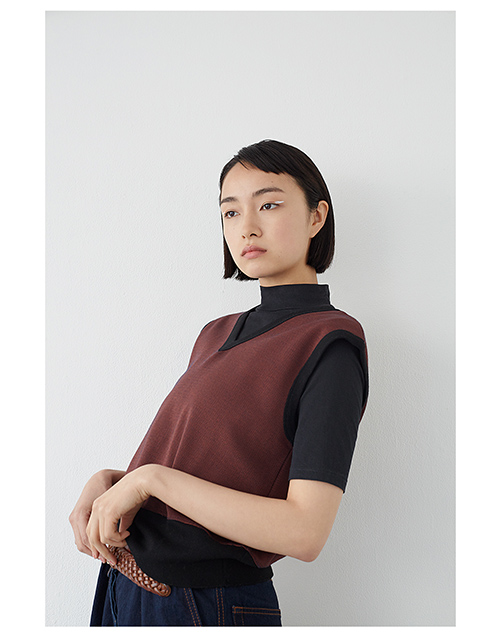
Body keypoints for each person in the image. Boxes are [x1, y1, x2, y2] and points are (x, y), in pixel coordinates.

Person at [69, 139, 369, 626]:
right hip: (126, 588)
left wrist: (148, 480)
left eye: (268, 205)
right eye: (230, 212)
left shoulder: (330, 342)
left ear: (317, 217)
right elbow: (208, 478)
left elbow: (305, 532)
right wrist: (113, 481)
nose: (246, 226)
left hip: (202, 602)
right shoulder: (215, 333)